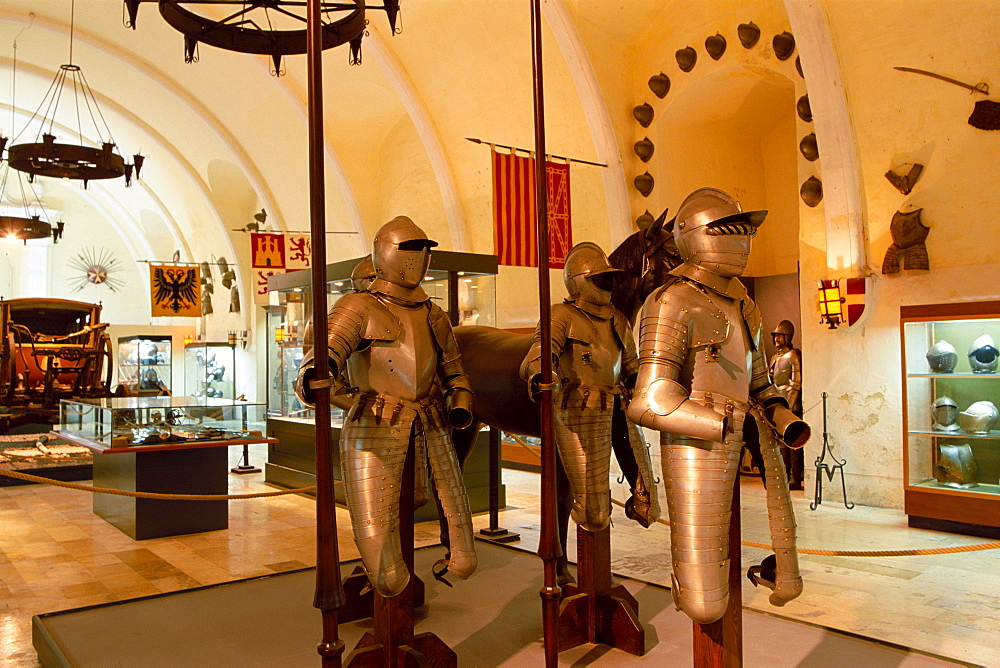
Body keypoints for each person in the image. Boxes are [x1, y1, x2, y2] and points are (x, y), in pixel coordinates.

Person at [626, 187, 808, 624]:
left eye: (746, 230)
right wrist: (723, 424)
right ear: (695, 235)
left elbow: (760, 380)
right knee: (705, 603)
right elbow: (649, 398)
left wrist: (783, 417)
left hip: (751, 428)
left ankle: (773, 576)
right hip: (697, 441)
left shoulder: (743, 301)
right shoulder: (669, 301)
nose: (742, 239)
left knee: (791, 578)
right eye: (731, 229)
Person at [295, 216, 477, 597]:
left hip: (431, 424)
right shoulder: (359, 306)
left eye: (425, 250)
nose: (420, 258)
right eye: (411, 249)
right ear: (386, 253)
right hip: (375, 422)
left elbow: (455, 373)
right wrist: (320, 371)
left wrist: (459, 401)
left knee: (465, 557)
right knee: (387, 572)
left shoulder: (433, 313)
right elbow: (326, 351)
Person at [520, 242, 659, 536]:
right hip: (577, 412)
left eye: (610, 278)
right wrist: (543, 373)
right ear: (580, 282)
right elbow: (540, 352)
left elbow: (632, 367)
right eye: (601, 279)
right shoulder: (562, 315)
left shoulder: (618, 320)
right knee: (593, 512)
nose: (608, 284)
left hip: (618, 409)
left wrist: (647, 387)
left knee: (649, 503)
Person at [769, 320, 804, 489]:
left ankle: (795, 478)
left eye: (780, 335)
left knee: (794, 444)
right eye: (775, 335)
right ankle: (784, 475)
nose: (777, 338)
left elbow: (796, 382)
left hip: (791, 405)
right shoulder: (775, 357)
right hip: (778, 404)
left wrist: (790, 406)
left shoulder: (794, 355)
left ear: (788, 336)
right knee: (781, 444)